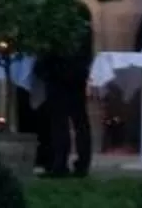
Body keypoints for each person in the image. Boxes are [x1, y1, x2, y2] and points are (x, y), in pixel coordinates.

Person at [32, 39, 95, 179]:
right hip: (75, 72)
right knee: (77, 121)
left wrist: (44, 67)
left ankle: (60, 164)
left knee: (61, 122)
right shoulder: (82, 22)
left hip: (57, 72)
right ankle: (80, 164)